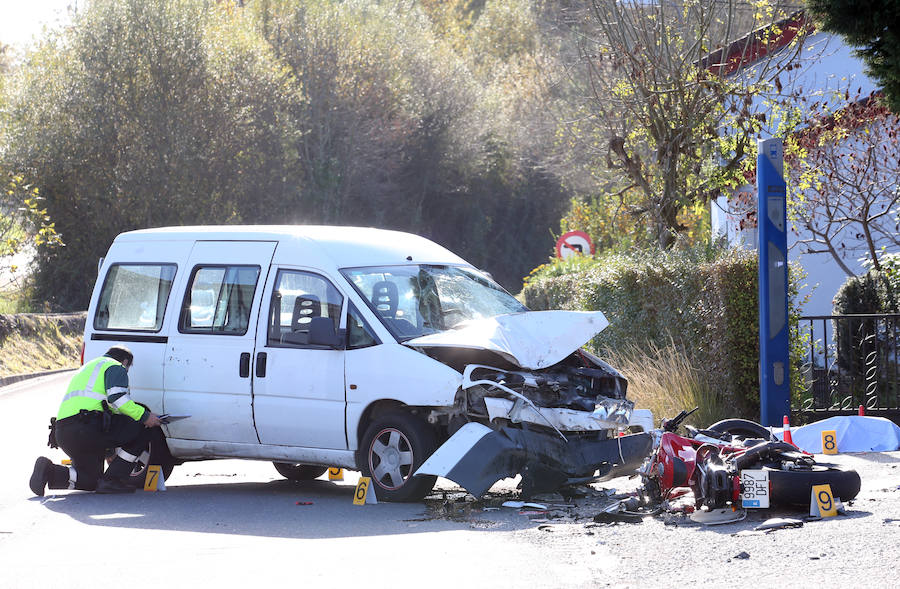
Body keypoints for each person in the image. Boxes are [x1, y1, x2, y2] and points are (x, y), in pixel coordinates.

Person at [29, 345, 162, 495]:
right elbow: (117, 399)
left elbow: (105, 409)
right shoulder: (115, 367)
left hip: (63, 432)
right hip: (87, 428)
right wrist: (145, 416)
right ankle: (113, 480)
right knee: (144, 427)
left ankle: (48, 470)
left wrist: (110, 451)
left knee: (91, 481)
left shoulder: (87, 368)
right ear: (125, 361)